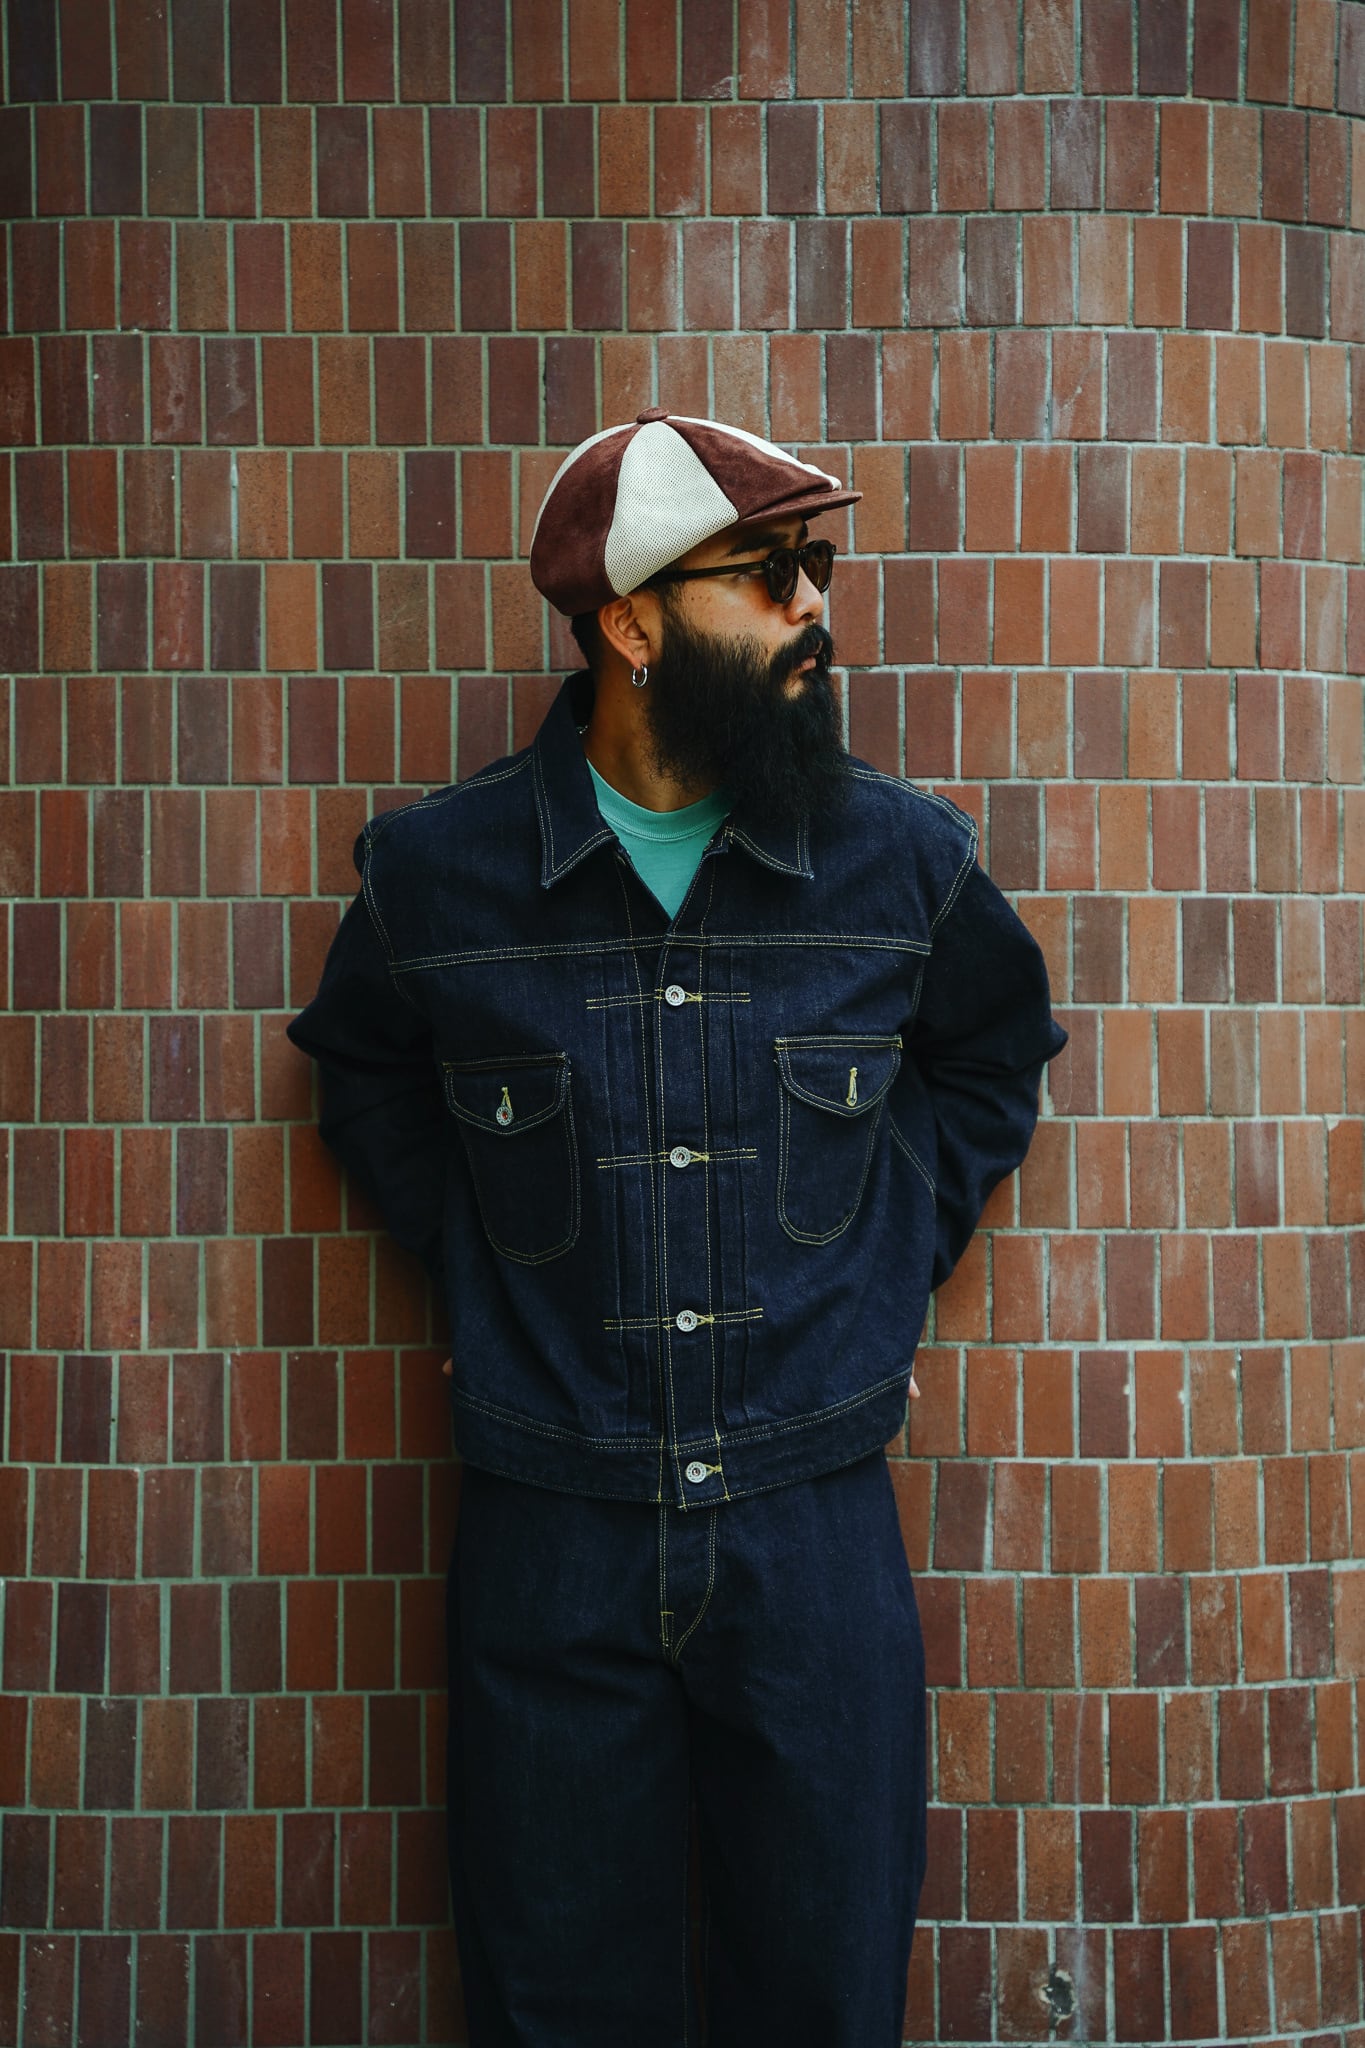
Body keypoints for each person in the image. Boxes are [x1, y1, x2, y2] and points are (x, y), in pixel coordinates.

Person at [286, 410, 1067, 2046]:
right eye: (767, 574)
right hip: (549, 1532)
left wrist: (880, 1262)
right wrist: (489, 1270)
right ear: (630, 627)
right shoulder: (441, 878)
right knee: (557, 2002)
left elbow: (992, 1054)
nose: (812, 605)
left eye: (816, 565)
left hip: (811, 1525)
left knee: (824, 1994)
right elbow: (362, 1070)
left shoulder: (897, 861)